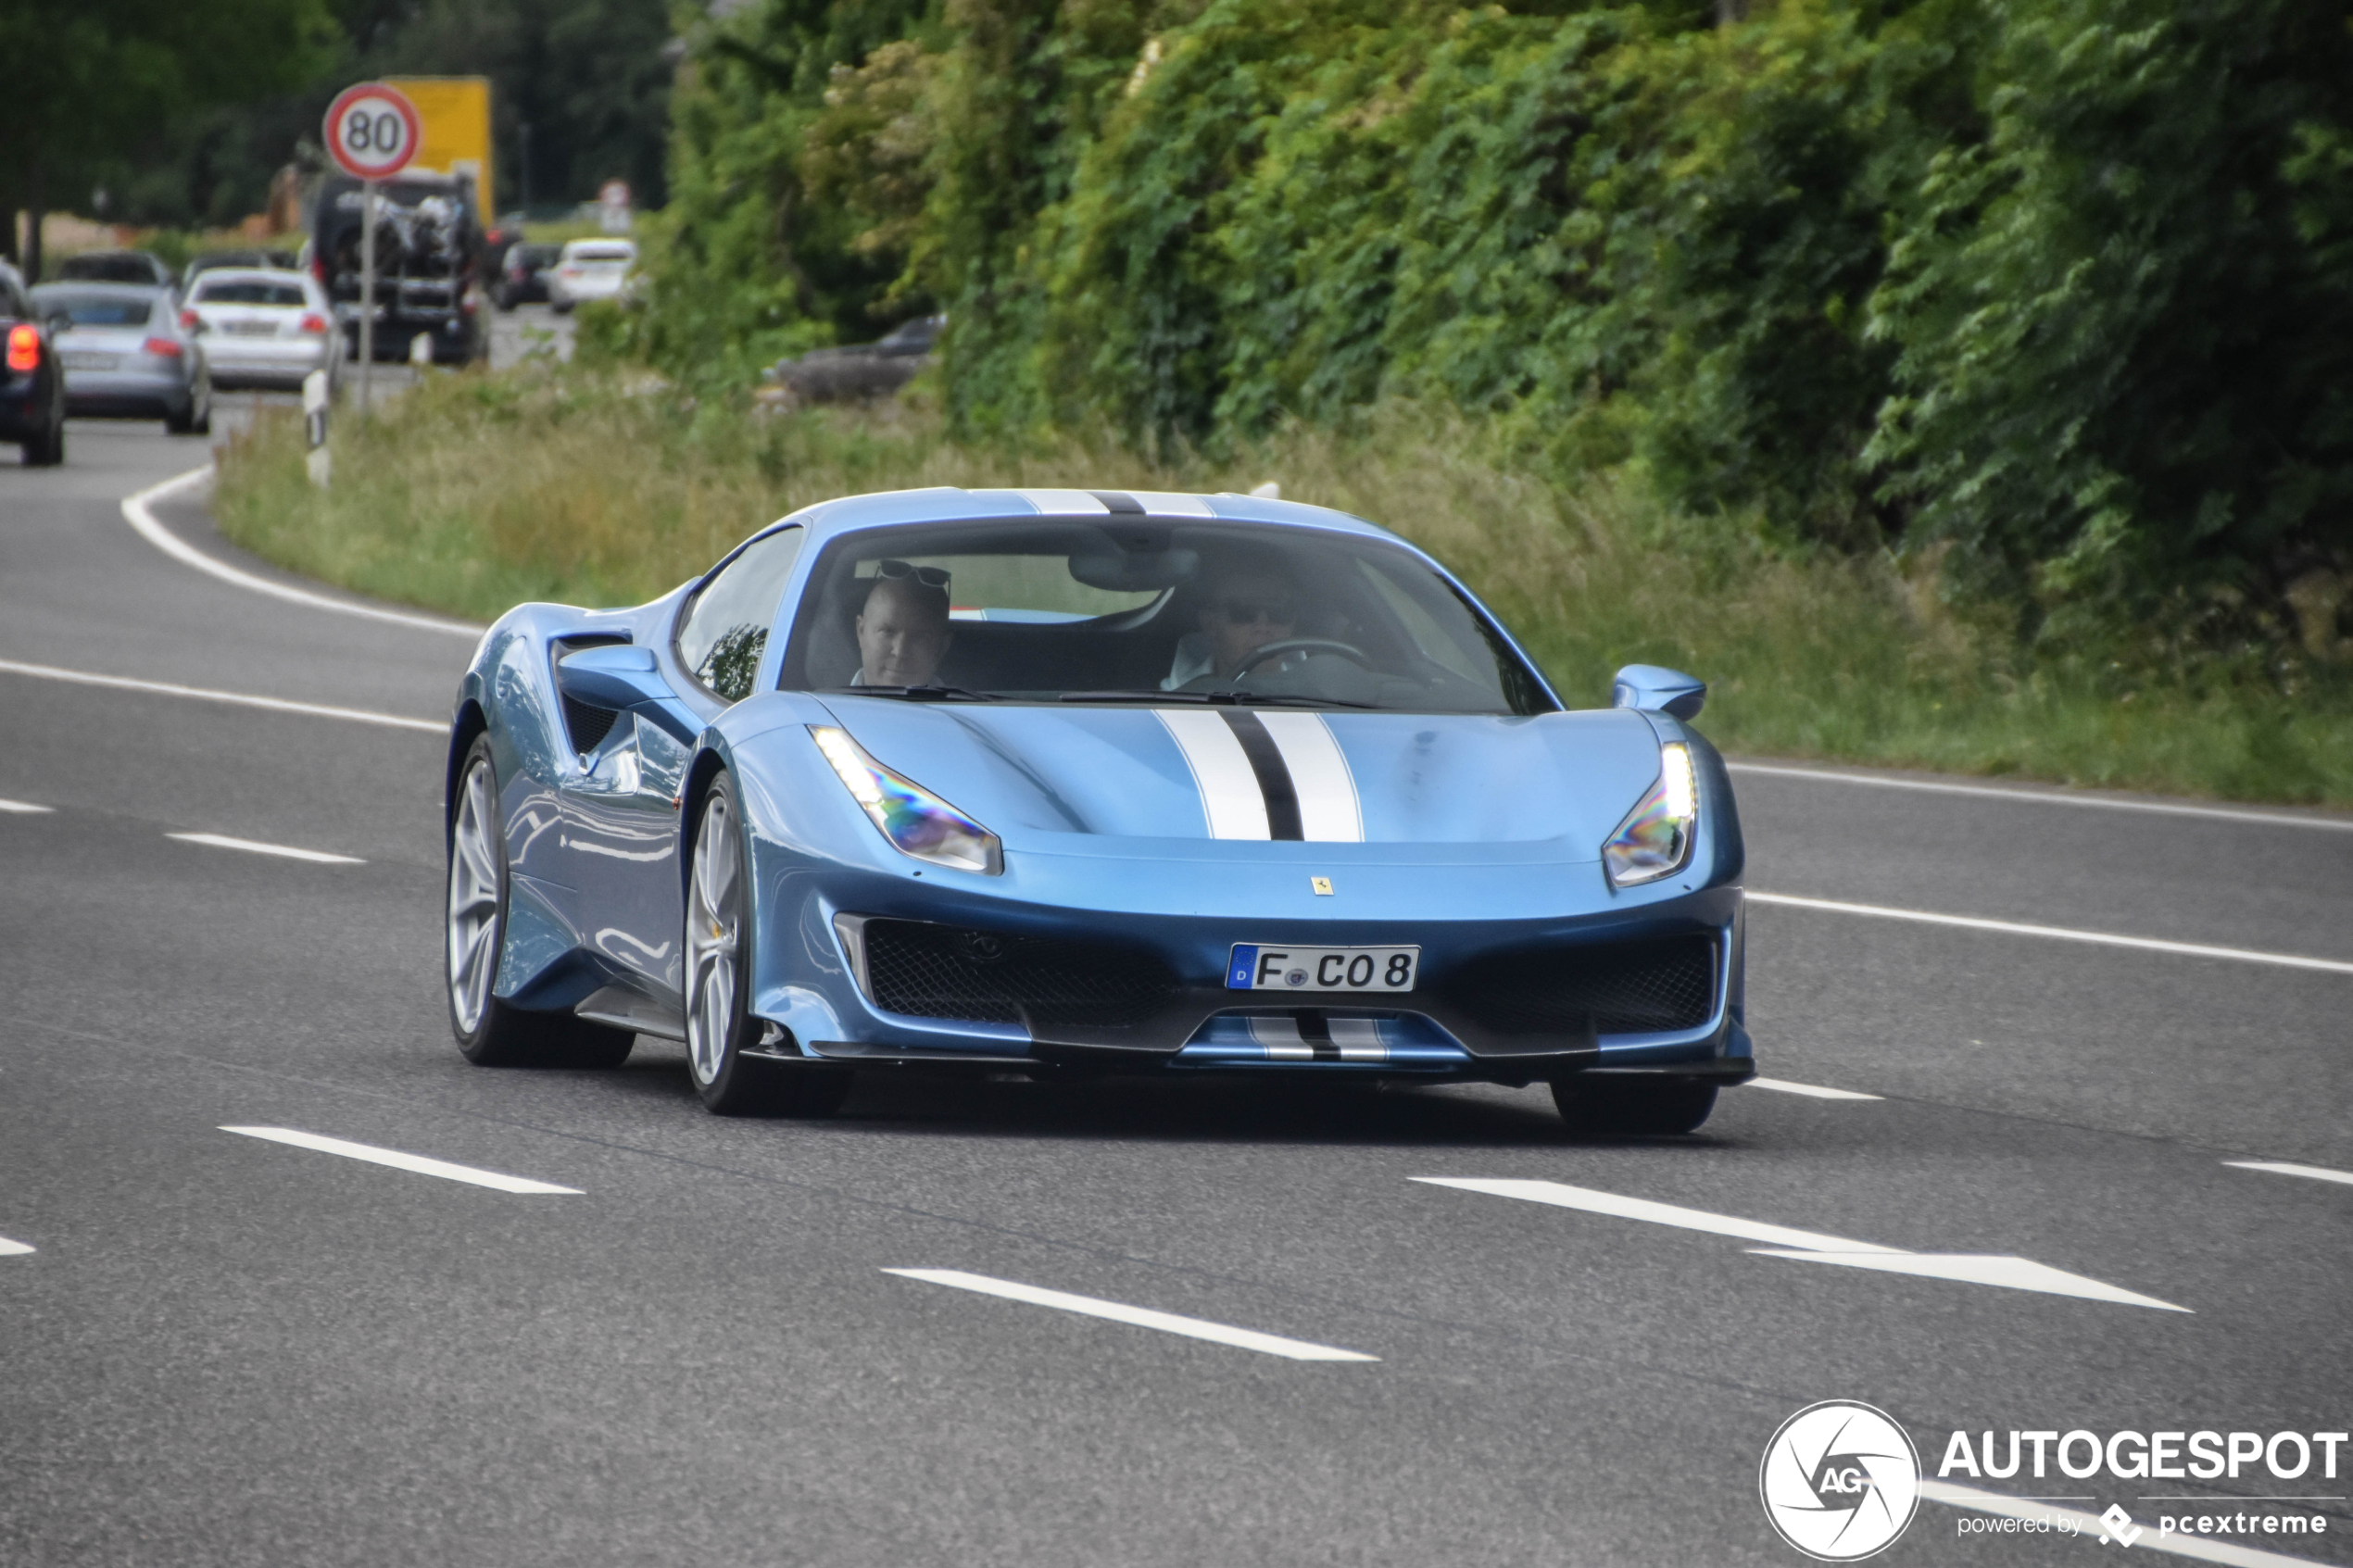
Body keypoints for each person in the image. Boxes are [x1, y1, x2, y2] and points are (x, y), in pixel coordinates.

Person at [1164, 557, 1303, 689]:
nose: (1262, 627)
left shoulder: (1320, 689)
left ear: (1294, 622)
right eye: (1243, 611)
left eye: (1279, 611)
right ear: (1210, 623)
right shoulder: (1168, 701)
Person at [853, 561, 953, 686]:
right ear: (861, 631)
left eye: (919, 636)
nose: (900, 651)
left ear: (942, 647)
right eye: (887, 631)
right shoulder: (825, 698)